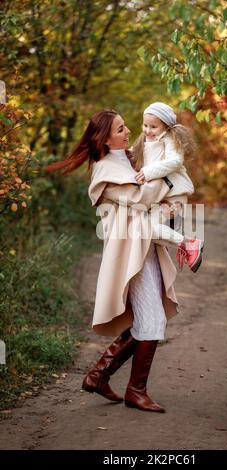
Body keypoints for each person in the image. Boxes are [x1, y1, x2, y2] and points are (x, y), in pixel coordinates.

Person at [46, 109, 182, 413]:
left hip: (143, 246)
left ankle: (98, 376)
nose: (128, 131)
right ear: (105, 139)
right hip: (128, 251)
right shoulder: (106, 168)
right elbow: (142, 198)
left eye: (125, 126)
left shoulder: (125, 159)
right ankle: (135, 391)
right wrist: (170, 178)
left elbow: (150, 185)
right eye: (120, 129)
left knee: (147, 318)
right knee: (152, 320)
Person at [131, 102, 204, 273]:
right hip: (160, 195)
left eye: (153, 127)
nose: (148, 130)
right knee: (147, 231)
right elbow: (132, 154)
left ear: (166, 126)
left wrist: (147, 172)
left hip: (174, 195)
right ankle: (188, 244)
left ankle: (189, 244)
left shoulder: (169, 138)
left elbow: (175, 161)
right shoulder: (144, 140)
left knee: (149, 228)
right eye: (145, 125)